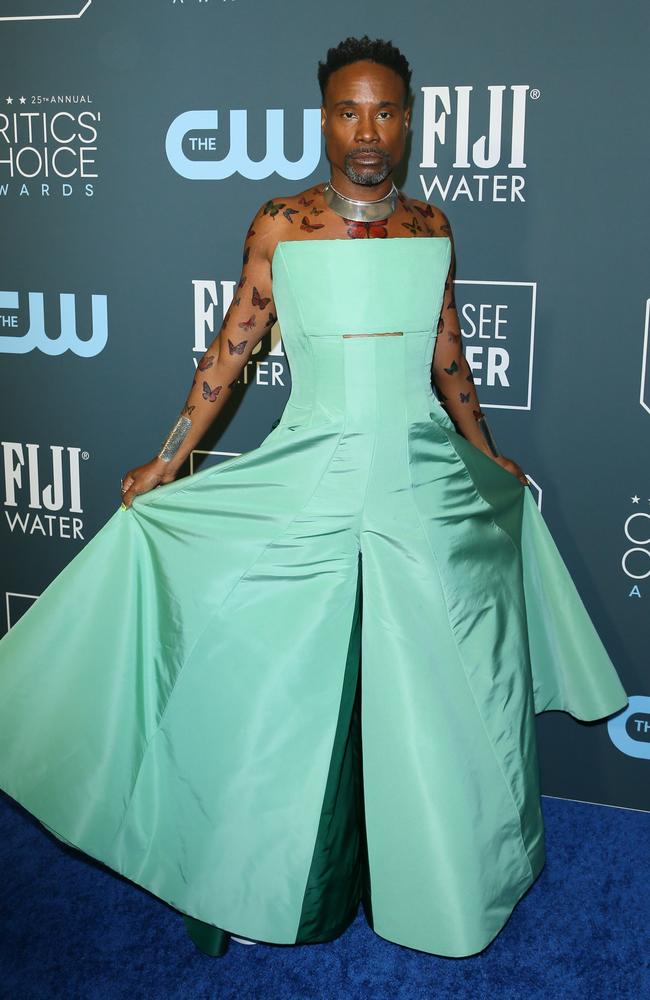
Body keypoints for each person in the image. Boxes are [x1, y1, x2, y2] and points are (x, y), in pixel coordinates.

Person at [0, 36, 628, 961]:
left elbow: (448, 356)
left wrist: (492, 460)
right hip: (314, 467)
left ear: (410, 121)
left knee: (442, 684)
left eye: (385, 112)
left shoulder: (432, 228)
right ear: (323, 118)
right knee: (272, 684)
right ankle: (262, 873)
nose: (366, 132)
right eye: (347, 111)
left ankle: (444, 876)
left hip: (420, 480)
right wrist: (167, 463)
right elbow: (230, 353)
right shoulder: (281, 225)